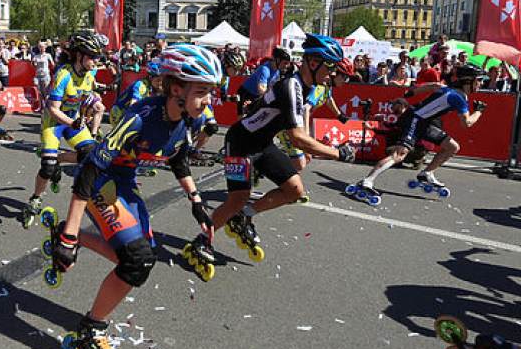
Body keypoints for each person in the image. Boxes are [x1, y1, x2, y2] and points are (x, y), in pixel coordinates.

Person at [48, 44, 219, 349]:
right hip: (103, 179)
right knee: (136, 261)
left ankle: (76, 238)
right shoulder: (140, 117)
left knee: (137, 263)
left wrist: (196, 202)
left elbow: (179, 160)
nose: (209, 101)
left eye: (210, 92)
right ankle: (91, 328)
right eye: (202, 91)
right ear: (176, 89)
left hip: (125, 182)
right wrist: (71, 231)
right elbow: (90, 168)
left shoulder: (188, 119)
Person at [188, 35, 355, 264]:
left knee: (294, 190)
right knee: (237, 198)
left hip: (263, 144)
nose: (333, 73)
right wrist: (338, 153)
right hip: (240, 143)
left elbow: (294, 128)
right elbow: (296, 138)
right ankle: (202, 239)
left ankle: (244, 217)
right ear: (314, 63)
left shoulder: (306, 87)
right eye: (331, 67)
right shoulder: (291, 86)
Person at [354, 64, 487, 198]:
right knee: (399, 155)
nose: (481, 84)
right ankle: (367, 181)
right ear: (468, 80)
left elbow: (433, 85)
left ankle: (427, 173)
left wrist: (413, 92)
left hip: (424, 122)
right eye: (479, 80)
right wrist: (479, 111)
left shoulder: (450, 89)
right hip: (415, 119)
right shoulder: (458, 98)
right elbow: (467, 123)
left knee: (452, 147)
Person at [21, 33, 101, 227]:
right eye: (92, 56)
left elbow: (86, 101)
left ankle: (57, 160)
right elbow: (53, 109)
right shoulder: (63, 74)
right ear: (78, 56)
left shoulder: (90, 76)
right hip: (54, 122)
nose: (96, 61)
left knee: (90, 154)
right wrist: (73, 123)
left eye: (97, 56)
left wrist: (88, 111)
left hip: (72, 120)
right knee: (47, 168)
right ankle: (36, 198)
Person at [277, 56, 355, 173]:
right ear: (335, 74)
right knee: (300, 163)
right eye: (345, 77)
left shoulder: (327, 85)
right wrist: (307, 137)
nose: (345, 81)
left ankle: (287, 184)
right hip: (287, 125)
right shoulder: (320, 86)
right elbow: (306, 109)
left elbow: (329, 99)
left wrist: (339, 115)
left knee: (303, 161)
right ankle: (283, 182)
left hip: (295, 123)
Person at [236, 46, 292, 115]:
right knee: (244, 119)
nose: (287, 66)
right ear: (277, 60)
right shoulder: (265, 70)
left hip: (256, 96)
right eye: (285, 63)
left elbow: (272, 88)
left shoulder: (277, 71)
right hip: (246, 94)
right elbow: (262, 91)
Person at [109, 60, 162, 127]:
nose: (160, 83)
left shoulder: (152, 87)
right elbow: (133, 105)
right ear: (150, 77)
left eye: (162, 80)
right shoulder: (141, 86)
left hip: (128, 112)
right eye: (158, 80)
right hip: (118, 113)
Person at [32, 41, 56, 110]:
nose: (41, 48)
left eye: (42, 47)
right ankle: (40, 106)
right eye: (40, 47)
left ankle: (47, 106)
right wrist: (33, 61)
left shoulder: (48, 55)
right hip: (38, 74)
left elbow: (53, 64)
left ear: (45, 48)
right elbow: (34, 65)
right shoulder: (36, 56)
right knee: (39, 91)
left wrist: (54, 72)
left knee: (46, 91)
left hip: (45, 74)